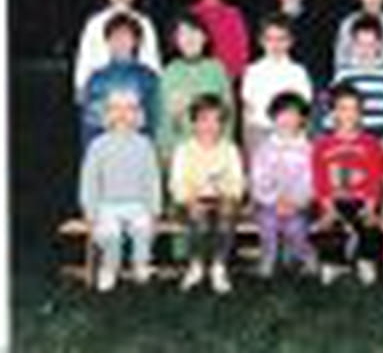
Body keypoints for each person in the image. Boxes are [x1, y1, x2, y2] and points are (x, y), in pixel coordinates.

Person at [79, 90, 162, 292]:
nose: (123, 114)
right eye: (116, 109)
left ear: (138, 115)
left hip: (137, 203)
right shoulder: (98, 145)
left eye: (129, 109)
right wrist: (90, 211)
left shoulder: (144, 145)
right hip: (107, 205)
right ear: (107, 114)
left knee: (143, 228)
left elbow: (152, 179)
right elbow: (89, 180)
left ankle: (140, 264)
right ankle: (109, 268)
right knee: (111, 234)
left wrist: (154, 208)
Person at [170, 94, 244, 294]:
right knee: (198, 218)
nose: (210, 126)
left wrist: (228, 194)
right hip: (189, 202)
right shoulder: (184, 150)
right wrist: (189, 199)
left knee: (226, 215)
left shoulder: (230, 150)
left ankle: (219, 266)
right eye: (204, 120)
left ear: (223, 124)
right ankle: (196, 265)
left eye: (216, 120)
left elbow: (237, 182)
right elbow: (177, 183)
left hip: (221, 200)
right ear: (193, 123)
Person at [312, 85, 383, 286]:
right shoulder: (322, 145)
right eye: (343, 108)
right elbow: (320, 180)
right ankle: (333, 262)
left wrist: (370, 207)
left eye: (354, 109)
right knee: (329, 225)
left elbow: (375, 178)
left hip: (361, 198)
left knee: (369, 225)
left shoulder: (370, 144)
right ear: (333, 113)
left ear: (361, 114)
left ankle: (365, 260)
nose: (348, 115)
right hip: (333, 199)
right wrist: (328, 208)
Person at [250, 92, 317, 278]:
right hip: (269, 204)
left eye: (292, 114)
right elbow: (258, 179)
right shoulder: (264, 148)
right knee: (268, 223)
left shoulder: (307, 149)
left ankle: (304, 255)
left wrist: (295, 201)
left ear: (302, 119)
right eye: (281, 114)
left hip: (298, 205)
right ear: (273, 117)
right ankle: (268, 258)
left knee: (295, 227)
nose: (286, 119)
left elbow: (309, 180)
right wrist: (274, 200)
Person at [73, 0, 161, 102]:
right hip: (102, 92)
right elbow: (84, 61)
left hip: (136, 93)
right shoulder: (94, 23)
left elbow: (152, 62)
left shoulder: (144, 23)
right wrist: (81, 90)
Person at [158, 13, 234, 161]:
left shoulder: (217, 70)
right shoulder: (169, 73)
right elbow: (163, 122)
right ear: (176, 41)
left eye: (194, 32)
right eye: (183, 34)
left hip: (214, 150)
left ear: (205, 37)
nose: (189, 38)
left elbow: (229, 113)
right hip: (181, 151)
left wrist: (225, 147)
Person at [80, 13, 160, 148]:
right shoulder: (96, 79)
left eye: (126, 36)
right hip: (105, 148)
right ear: (107, 41)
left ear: (136, 41)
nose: (121, 41)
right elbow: (90, 123)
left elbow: (155, 119)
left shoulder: (148, 77)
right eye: (115, 37)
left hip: (139, 147)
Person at [241, 13, 313, 156]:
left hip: (290, 134)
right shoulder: (253, 71)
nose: (275, 45)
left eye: (281, 39)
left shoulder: (298, 72)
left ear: (290, 41)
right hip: (260, 131)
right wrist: (247, 143)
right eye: (270, 39)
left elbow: (304, 110)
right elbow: (247, 109)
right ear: (261, 41)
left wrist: (301, 138)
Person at [328, 14, 383, 142]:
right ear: (352, 45)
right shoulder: (343, 76)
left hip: (382, 140)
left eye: (371, 45)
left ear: (379, 45)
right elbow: (331, 112)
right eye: (360, 44)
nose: (365, 50)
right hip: (351, 141)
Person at [269, 0, 328, 85]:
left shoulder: (314, 21)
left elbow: (320, 57)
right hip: (274, 79)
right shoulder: (269, 20)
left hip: (307, 80)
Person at [190, 0, 250, 81]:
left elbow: (241, 50)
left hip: (225, 77)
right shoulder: (191, 14)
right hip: (194, 76)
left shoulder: (233, 15)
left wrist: (231, 75)